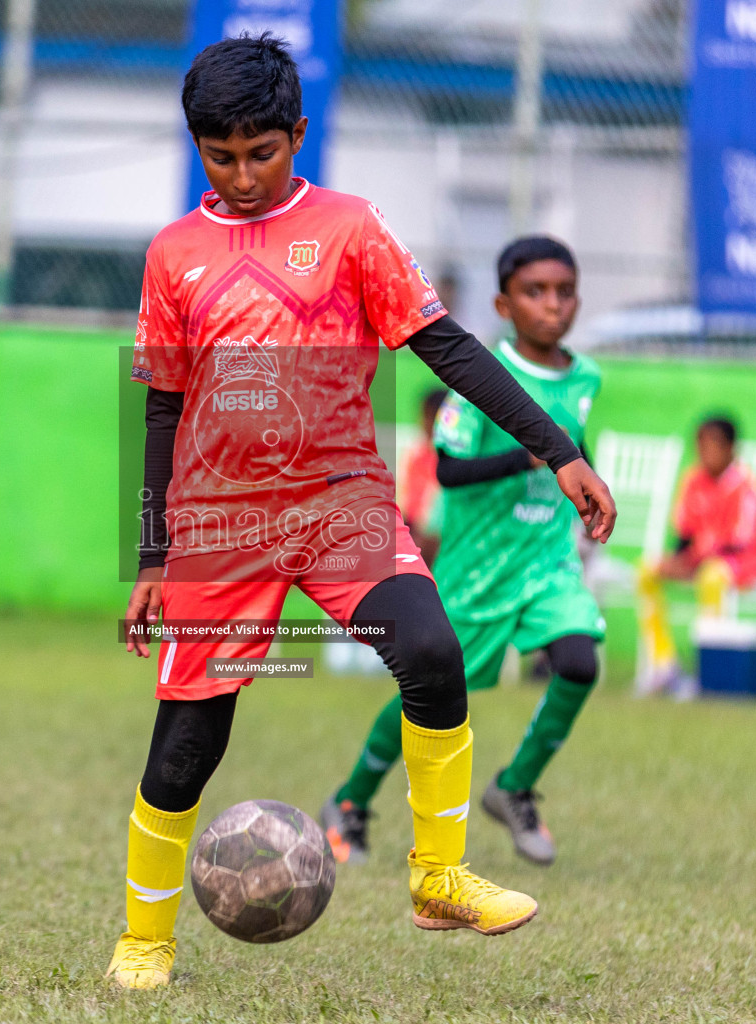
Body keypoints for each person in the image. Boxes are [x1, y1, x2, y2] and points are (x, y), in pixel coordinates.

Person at [110, 36, 617, 989]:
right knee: (188, 744)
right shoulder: (173, 253)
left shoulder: (349, 229)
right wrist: (151, 554)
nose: (244, 173)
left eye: (262, 152)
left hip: (342, 502)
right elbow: (164, 408)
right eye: (221, 156)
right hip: (220, 524)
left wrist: (561, 451)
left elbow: (450, 349)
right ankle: (144, 940)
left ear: (298, 135)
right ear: (197, 148)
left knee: (431, 651)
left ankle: (440, 878)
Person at [322, 236, 604, 869]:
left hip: (548, 561)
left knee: (580, 661)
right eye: (535, 292)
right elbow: (447, 471)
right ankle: (351, 799)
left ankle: (514, 786)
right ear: (504, 304)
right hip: (478, 572)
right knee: (431, 694)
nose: (552, 305)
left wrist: (587, 488)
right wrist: (522, 456)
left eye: (564, 292)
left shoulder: (588, 378)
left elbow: (580, 445)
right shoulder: (480, 377)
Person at [637, 415, 756, 694]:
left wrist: (695, 562)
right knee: (646, 570)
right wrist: (678, 560)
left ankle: (709, 671)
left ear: (731, 449)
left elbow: (739, 542)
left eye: (714, 444)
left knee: (712, 577)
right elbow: (684, 532)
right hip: (700, 560)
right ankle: (663, 665)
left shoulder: (743, 485)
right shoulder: (693, 480)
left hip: (745, 561)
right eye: (701, 444)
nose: (706, 451)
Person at [398, 388, 447, 567]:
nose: (426, 423)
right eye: (425, 417)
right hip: (411, 526)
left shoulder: (447, 456)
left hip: (434, 534)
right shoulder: (415, 452)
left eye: (432, 418)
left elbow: (437, 507)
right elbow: (405, 493)